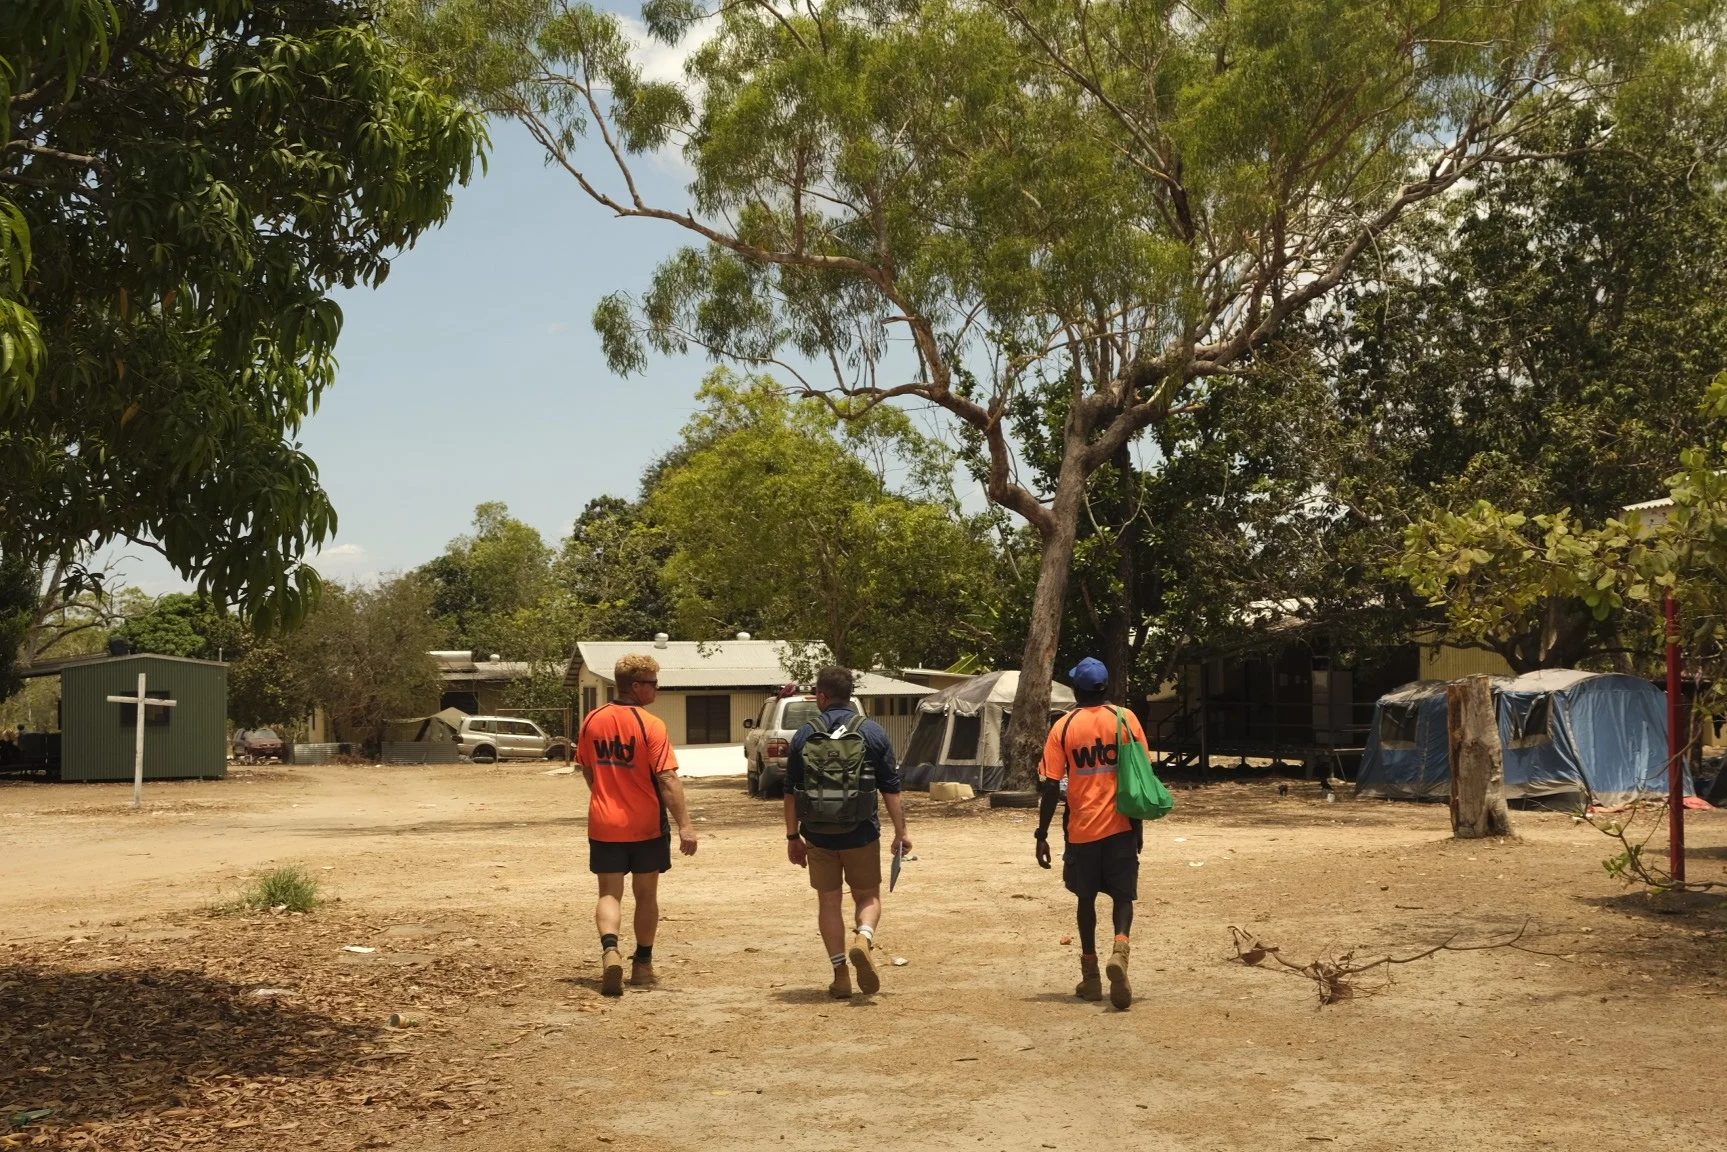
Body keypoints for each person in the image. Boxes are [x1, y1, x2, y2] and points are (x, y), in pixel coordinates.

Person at [783, 666, 911, 999]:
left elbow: (790, 791)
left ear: (821, 696)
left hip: (818, 834)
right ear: (850, 694)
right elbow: (891, 789)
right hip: (862, 832)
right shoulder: (873, 732)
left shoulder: (803, 734)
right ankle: (863, 938)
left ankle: (840, 976)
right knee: (868, 897)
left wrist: (792, 837)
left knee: (828, 901)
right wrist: (902, 832)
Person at [576, 653, 698, 997]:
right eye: (653, 683)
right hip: (645, 826)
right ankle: (642, 966)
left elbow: (587, 768)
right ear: (634, 686)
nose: (657, 689)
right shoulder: (651, 725)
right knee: (646, 894)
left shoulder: (592, 720)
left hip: (604, 824)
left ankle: (610, 950)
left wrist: (606, 795)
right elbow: (668, 778)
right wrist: (686, 825)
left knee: (609, 893)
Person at [1033, 657, 1148, 1010]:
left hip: (1082, 830)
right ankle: (1120, 949)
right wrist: (1138, 827)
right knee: (1122, 896)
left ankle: (1093, 976)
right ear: (1105, 686)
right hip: (1122, 825)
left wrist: (1042, 833)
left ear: (1076, 689)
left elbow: (1051, 786)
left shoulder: (1063, 727)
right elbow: (1140, 777)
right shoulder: (1125, 719)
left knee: (1085, 900)